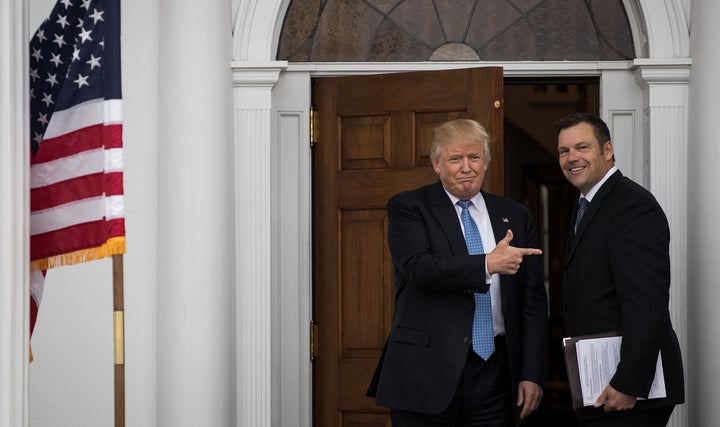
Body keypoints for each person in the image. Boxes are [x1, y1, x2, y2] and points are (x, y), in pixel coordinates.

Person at [366, 118, 548, 426]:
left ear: (486, 162)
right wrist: (486, 265)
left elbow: (532, 302)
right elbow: (418, 269)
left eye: (474, 157)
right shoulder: (409, 207)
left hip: (495, 373)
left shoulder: (515, 215)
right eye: (455, 159)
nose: (467, 167)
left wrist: (531, 373)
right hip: (426, 371)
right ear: (437, 164)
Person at [554, 113, 685, 426]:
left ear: (608, 150)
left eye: (582, 147)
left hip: (629, 392)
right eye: (563, 151)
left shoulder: (631, 205)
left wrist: (629, 382)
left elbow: (646, 303)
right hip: (600, 384)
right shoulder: (585, 204)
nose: (571, 158)